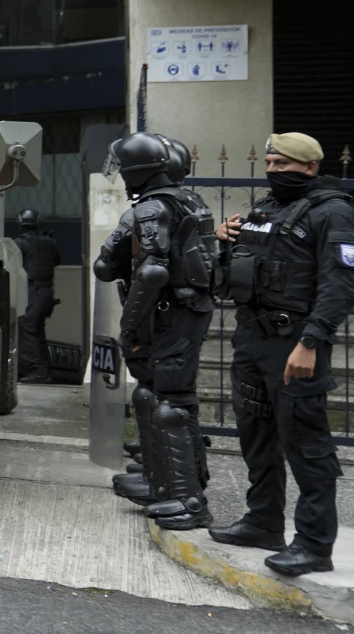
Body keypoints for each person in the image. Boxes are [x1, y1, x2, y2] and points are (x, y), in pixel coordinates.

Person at [209, 132, 354, 576]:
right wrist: (224, 240)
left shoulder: (333, 212)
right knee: (257, 437)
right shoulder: (266, 209)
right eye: (269, 162)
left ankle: (313, 544)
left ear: (309, 168)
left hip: (296, 344)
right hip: (252, 339)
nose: (272, 170)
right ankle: (263, 522)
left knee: (306, 445)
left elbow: (341, 284)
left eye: (281, 164)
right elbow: (244, 266)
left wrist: (311, 342)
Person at [93, 132, 216, 532]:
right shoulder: (188, 200)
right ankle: (162, 484)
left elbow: (147, 271)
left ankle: (189, 500)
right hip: (180, 312)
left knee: (171, 403)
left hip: (168, 315)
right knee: (156, 396)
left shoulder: (151, 208)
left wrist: (128, 325)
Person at [14, 209, 61, 383]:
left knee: (27, 328)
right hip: (46, 291)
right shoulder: (49, 242)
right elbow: (56, 261)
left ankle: (35, 369)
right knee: (37, 330)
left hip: (32, 290)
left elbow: (13, 264)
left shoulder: (19, 243)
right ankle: (42, 369)